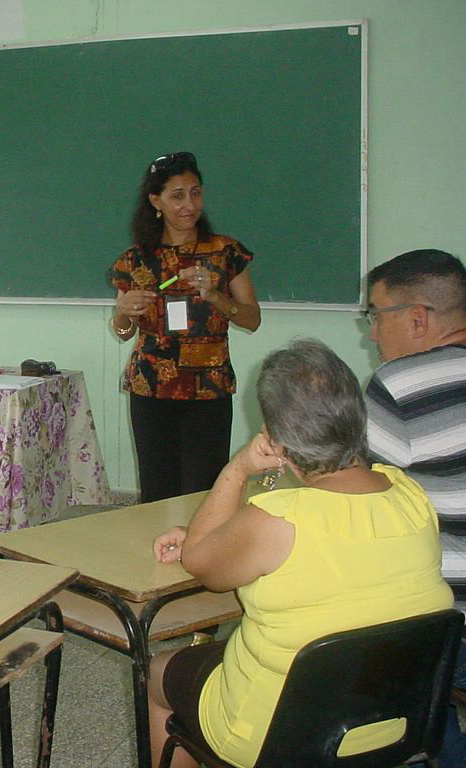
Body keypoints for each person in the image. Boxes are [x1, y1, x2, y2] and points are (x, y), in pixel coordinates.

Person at [148, 339, 451, 768]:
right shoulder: (411, 496)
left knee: (161, 670)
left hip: (277, 738)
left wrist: (237, 468)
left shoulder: (275, 519)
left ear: (277, 437)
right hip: (393, 723)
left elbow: (200, 563)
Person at [363, 249, 466, 768]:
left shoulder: (398, 385)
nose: (373, 333)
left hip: (450, 617)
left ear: (418, 318)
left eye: (376, 316)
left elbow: (365, 510)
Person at [109, 151, 261, 503]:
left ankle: (200, 557)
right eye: (177, 195)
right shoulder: (135, 261)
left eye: (195, 193)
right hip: (150, 388)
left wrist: (217, 297)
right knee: (155, 493)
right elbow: (124, 331)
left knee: (204, 495)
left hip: (208, 388)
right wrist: (122, 313)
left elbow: (252, 320)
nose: (189, 204)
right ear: (155, 201)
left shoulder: (225, 252)